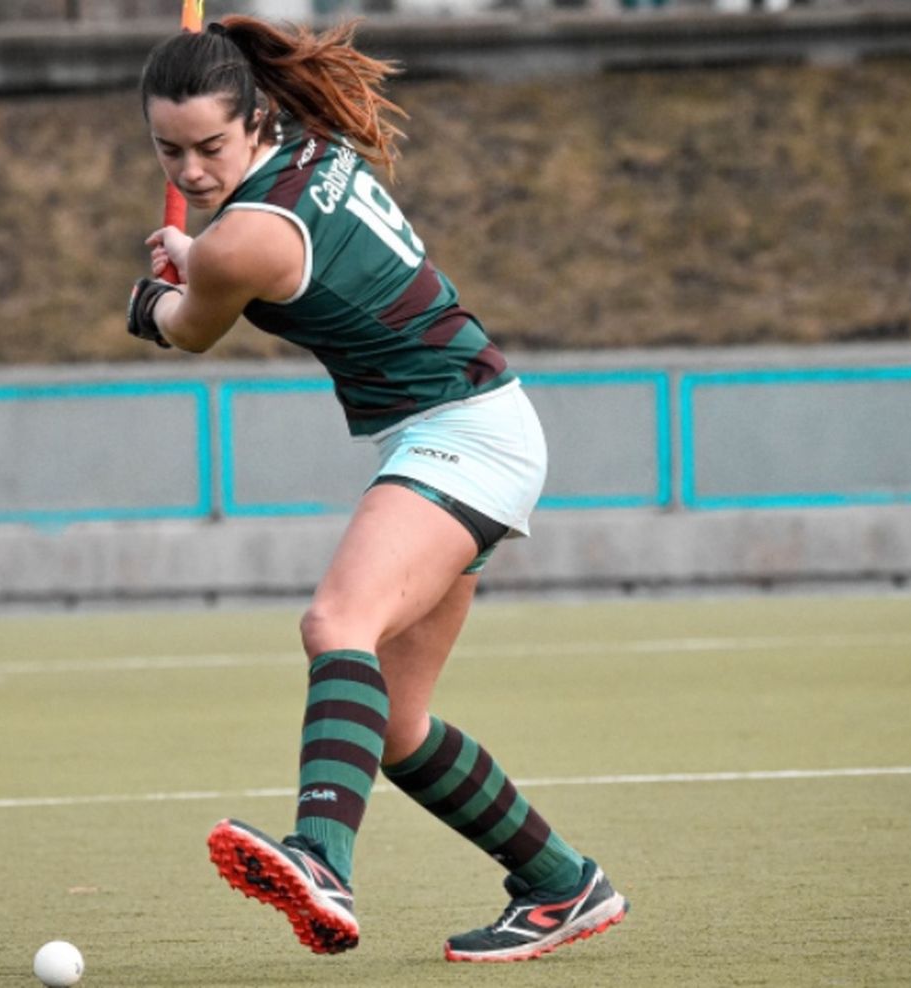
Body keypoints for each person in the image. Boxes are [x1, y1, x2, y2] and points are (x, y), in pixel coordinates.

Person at [126, 16, 628, 963]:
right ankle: (564, 886)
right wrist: (199, 261)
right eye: (168, 150)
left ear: (252, 120)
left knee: (334, 623)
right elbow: (252, 254)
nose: (190, 169)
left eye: (209, 147)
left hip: (460, 436)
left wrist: (154, 301)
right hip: (484, 420)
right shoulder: (307, 150)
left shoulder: (241, 240)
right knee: (397, 727)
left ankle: (321, 857)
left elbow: (195, 327)